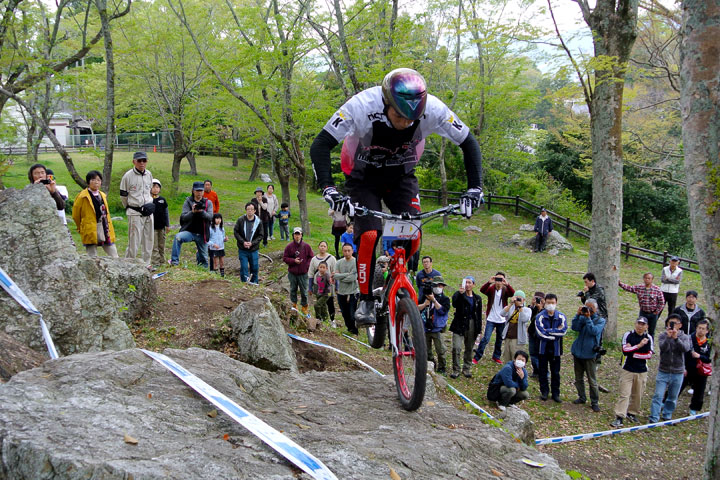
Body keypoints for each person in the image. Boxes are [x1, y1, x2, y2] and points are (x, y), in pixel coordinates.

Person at [311, 68, 484, 329]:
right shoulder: (361, 105)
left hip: (401, 177)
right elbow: (321, 144)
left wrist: (475, 188)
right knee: (369, 235)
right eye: (400, 116)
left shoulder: (434, 109)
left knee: (414, 232)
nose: (406, 123)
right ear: (386, 103)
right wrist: (329, 189)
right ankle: (366, 298)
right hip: (363, 178)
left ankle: (397, 272)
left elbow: (469, 142)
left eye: (412, 119)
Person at [610, 317, 654, 428]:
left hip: (642, 371)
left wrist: (634, 352)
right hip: (627, 369)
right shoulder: (628, 335)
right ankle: (620, 416)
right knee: (625, 393)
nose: (640, 326)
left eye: (643, 324)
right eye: (639, 323)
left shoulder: (648, 338)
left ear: (647, 326)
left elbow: (649, 355)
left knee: (638, 394)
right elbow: (625, 351)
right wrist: (638, 347)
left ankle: (632, 413)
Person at [648, 314, 692, 423]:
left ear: (680, 325)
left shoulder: (684, 337)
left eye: (675, 323)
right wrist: (668, 337)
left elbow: (685, 349)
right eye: (670, 323)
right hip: (663, 370)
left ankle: (667, 415)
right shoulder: (663, 335)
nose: (673, 326)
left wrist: (676, 338)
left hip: (678, 371)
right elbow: (663, 348)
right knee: (658, 395)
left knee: (672, 396)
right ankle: (654, 417)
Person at [570, 298, 606, 412]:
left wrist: (588, 318)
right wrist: (577, 315)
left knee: (592, 380)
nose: (588, 310)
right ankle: (582, 397)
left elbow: (593, 331)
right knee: (578, 378)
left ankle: (594, 401)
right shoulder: (582, 316)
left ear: (595, 308)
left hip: (590, 354)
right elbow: (574, 327)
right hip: (578, 352)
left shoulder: (600, 320)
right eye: (587, 307)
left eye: (591, 308)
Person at [71, 170, 118, 257]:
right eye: (93, 179)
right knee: (92, 255)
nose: (96, 182)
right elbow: (75, 215)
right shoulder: (82, 196)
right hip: (89, 228)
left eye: (98, 180)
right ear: (88, 181)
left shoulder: (102, 195)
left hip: (104, 227)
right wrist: (80, 227)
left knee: (113, 253)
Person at [120, 151, 154, 268]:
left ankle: (146, 264)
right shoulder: (128, 176)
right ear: (134, 161)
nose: (142, 163)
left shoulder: (149, 174)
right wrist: (130, 207)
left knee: (149, 239)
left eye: (144, 160)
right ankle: (129, 264)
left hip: (149, 212)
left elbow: (149, 191)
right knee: (134, 240)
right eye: (139, 160)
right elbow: (123, 195)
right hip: (134, 212)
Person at [170, 181, 213, 268]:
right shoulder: (188, 201)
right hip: (189, 231)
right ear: (193, 191)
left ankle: (203, 272)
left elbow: (210, 217)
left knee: (204, 258)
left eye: (201, 191)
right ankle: (174, 262)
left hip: (202, 234)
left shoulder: (208, 203)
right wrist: (192, 212)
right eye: (197, 191)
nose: (199, 193)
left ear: (203, 191)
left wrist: (201, 212)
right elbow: (183, 217)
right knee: (178, 237)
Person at [475, 272, 515, 364]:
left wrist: (507, 284)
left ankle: (496, 356)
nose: (498, 282)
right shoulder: (491, 289)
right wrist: (489, 282)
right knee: (486, 338)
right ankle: (477, 356)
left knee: (499, 339)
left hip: (501, 319)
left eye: (501, 280)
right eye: (497, 279)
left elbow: (512, 293)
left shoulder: (505, 290)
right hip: (491, 318)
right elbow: (482, 290)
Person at [535, 293, 568, 402]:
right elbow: (540, 333)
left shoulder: (561, 317)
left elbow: (563, 331)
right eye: (548, 303)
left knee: (555, 373)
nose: (550, 305)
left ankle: (556, 393)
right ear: (545, 303)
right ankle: (544, 392)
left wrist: (548, 331)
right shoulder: (539, 317)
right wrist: (554, 332)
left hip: (556, 350)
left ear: (556, 303)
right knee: (543, 372)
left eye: (552, 303)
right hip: (542, 349)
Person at [449, 276, 483, 379]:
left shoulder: (477, 298)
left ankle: (466, 367)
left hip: (472, 324)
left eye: (470, 283)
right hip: (459, 323)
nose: (467, 285)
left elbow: (479, 314)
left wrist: (479, 329)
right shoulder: (459, 295)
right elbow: (454, 304)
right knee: (456, 347)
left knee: (469, 347)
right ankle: (456, 369)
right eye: (466, 282)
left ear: (473, 285)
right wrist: (459, 293)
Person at [680, 318, 712, 415]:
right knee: (678, 386)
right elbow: (683, 354)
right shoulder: (689, 338)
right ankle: (666, 402)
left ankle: (694, 408)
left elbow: (709, 358)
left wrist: (700, 356)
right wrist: (683, 367)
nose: (701, 330)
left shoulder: (709, 343)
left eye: (703, 329)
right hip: (688, 367)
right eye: (699, 328)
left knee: (699, 391)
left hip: (701, 370)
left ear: (707, 331)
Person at [419, 276, 450, 374]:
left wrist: (434, 300)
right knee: (427, 350)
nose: (437, 287)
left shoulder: (445, 299)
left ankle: (442, 367)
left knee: (440, 349)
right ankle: (431, 364)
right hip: (425, 327)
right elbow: (416, 307)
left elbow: (442, 311)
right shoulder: (425, 296)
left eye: (439, 285)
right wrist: (425, 304)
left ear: (443, 287)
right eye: (435, 285)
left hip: (437, 328)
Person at [619, 273, 665, 337]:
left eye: (649, 278)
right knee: (640, 330)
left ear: (652, 280)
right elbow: (629, 288)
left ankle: (650, 344)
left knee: (651, 331)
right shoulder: (639, 288)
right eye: (645, 278)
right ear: (643, 279)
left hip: (653, 313)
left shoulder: (657, 289)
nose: (647, 280)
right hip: (643, 312)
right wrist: (620, 284)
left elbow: (662, 302)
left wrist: (657, 311)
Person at [283, 227, 314, 317]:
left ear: (301, 235)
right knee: (293, 289)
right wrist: (293, 261)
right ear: (293, 235)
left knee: (304, 291)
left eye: (299, 234)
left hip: (303, 273)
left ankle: (304, 307)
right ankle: (294, 305)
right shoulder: (289, 247)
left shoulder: (306, 246)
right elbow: (285, 258)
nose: (297, 236)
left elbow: (311, 257)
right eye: (296, 234)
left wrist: (306, 265)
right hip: (292, 272)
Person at [234, 202, 263, 283]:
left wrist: (252, 243)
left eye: (251, 209)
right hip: (242, 248)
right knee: (244, 267)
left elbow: (261, 235)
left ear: (255, 211)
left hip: (253, 249)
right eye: (248, 209)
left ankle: (254, 283)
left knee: (254, 267)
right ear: (246, 210)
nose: (250, 211)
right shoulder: (241, 220)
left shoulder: (258, 222)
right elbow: (236, 232)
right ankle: (244, 282)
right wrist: (243, 242)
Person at [308, 241, 337, 324]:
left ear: (327, 248)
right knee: (321, 303)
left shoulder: (332, 258)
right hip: (317, 285)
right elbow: (310, 274)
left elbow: (335, 273)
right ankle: (322, 319)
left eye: (324, 246)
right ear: (318, 247)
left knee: (330, 302)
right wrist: (310, 287)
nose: (322, 247)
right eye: (321, 246)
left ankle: (332, 320)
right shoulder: (314, 259)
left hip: (328, 286)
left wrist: (336, 287)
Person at [334, 243, 359, 335]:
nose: (347, 252)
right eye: (345, 250)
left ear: (352, 251)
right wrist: (347, 274)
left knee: (352, 314)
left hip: (353, 292)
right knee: (344, 313)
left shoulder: (356, 262)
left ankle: (355, 330)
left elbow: (353, 277)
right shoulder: (339, 262)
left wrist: (341, 276)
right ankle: (349, 329)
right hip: (341, 292)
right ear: (342, 251)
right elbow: (335, 276)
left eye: (349, 250)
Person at [499, 291, 531, 363]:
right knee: (507, 358)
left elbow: (524, 319)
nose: (518, 300)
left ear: (524, 300)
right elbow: (502, 314)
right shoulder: (510, 308)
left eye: (520, 299)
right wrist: (510, 304)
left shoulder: (527, 310)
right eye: (517, 298)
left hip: (518, 338)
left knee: (516, 359)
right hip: (508, 336)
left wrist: (520, 307)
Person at [151, 179, 170, 268]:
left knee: (161, 244)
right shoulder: (148, 199)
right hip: (152, 227)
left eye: (157, 187)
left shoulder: (162, 200)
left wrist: (167, 225)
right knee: (154, 245)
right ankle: (155, 262)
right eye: (153, 187)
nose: (155, 189)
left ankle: (162, 261)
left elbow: (166, 213)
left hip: (161, 226)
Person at [527, 292, 545, 377]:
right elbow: (529, 317)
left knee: (540, 354)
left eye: (539, 299)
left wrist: (541, 309)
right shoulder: (533, 308)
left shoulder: (546, 311)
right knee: (532, 353)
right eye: (536, 298)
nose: (537, 301)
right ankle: (536, 371)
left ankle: (542, 372)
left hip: (540, 335)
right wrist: (532, 306)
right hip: (532, 333)